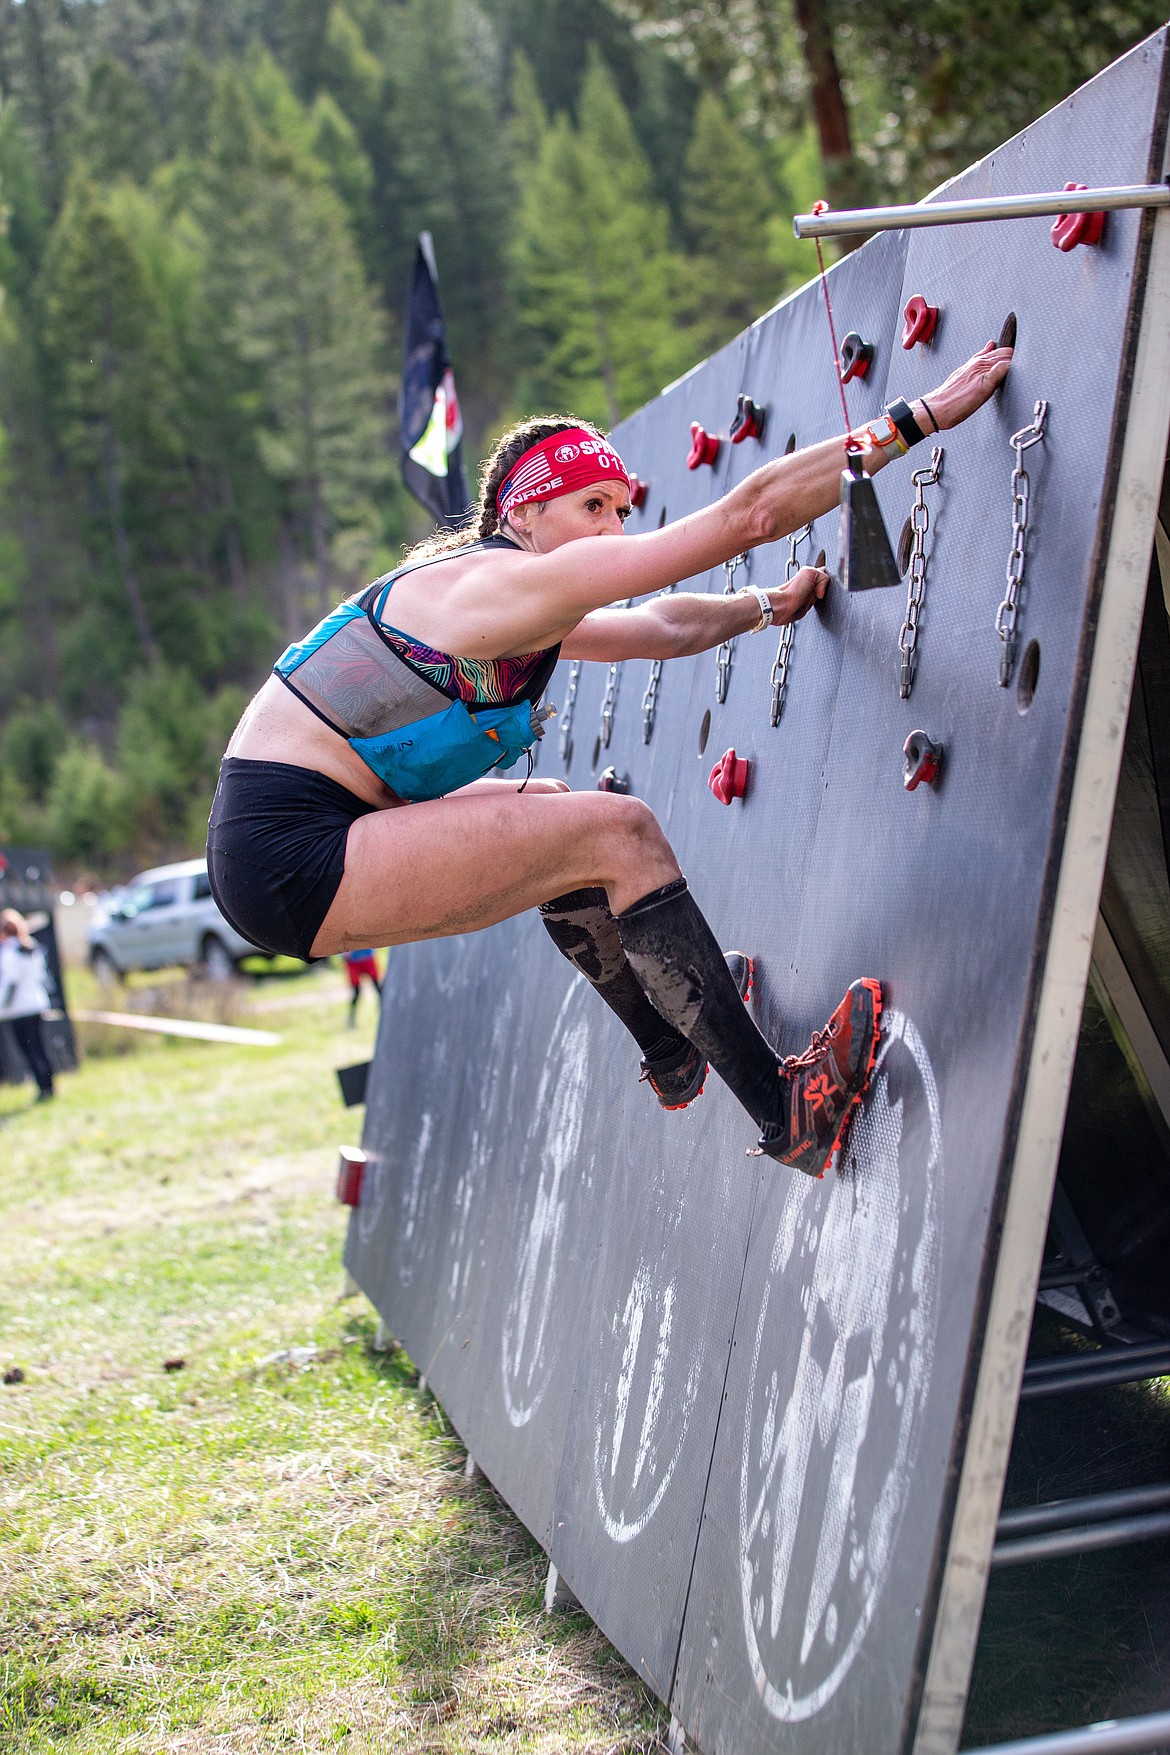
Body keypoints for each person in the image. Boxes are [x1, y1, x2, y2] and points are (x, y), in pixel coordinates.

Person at [208, 342, 1011, 1178]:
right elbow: (751, 516)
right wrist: (915, 421)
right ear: (523, 513)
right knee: (618, 831)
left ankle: (672, 1047)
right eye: (592, 506)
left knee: (554, 804)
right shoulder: (488, 586)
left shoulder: (517, 604)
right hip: (289, 856)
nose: (613, 531)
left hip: (315, 840)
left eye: (623, 510)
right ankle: (786, 1114)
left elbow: (662, 630)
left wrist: (766, 605)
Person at [0, 908, 56, 1102]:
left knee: (29, 1050)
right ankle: (48, 1086)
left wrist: (3, 1006)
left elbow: (10, 984)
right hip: (37, 1004)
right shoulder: (32, 947)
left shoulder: (10, 953)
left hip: (18, 1009)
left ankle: (43, 1089)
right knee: (40, 1048)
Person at [342, 947, 382, 1025]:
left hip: (367, 957)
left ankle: (384, 1011)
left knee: (378, 987)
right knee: (356, 992)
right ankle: (351, 1017)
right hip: (353, 961)